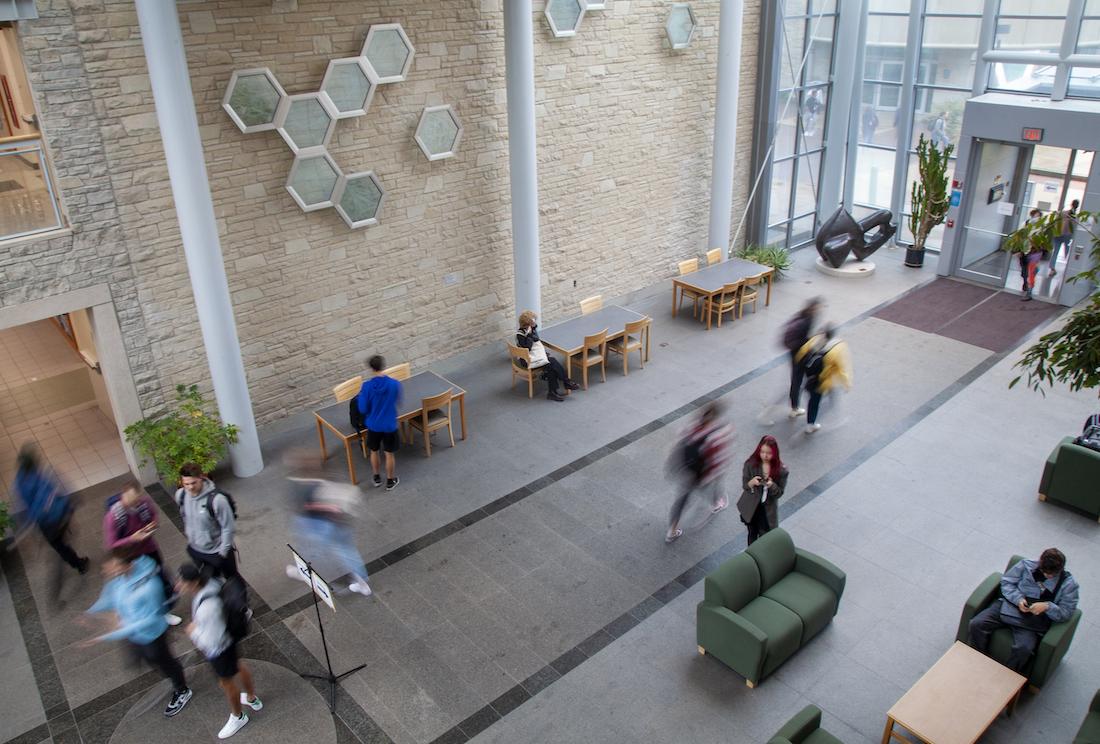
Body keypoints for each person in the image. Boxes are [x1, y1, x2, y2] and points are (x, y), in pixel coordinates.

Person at [82, 549, 192, 717]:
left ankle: (182, 690)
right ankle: (173, 671)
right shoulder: (119, 579)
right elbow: (110, 597)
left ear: (128, 565)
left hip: (153, 635)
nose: (108, 572)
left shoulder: (149, 586)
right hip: (135, 634)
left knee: (163, 661)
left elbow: (149, 619)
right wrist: (90, 612)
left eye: (112, 567)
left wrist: (108, 635)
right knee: (150, 661)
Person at [176, 563, 262, 739]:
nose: (178, 585)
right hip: (229, 639)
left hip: (219, 649)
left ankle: (238, 716)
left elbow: (210, 640)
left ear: (192, 583)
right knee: (238, 665)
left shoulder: (206, 608)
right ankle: (252, 698)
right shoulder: (212, 583)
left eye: (181, 582)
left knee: (227, 683)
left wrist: (194, 632)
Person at [967, 548, 1079, 673]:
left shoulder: (1069, 585)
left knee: (1024, 649)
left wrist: (1048, 606)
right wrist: (1018, 599)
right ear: (1040, 563)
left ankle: (1007, 676)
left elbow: (1067, 612)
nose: (1047, 576)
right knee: (976, 624)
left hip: (1032, 623)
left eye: (1052, 574)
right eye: (1044, 572)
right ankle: (976, 660)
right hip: (1009, 606)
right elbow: (1007, 582)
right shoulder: (1026, 565)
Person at [285, 454, 373, 597]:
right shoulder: (326, 479)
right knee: (346, 550)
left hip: (319, 523)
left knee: (312, 548)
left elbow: (309, 506)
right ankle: (362, 581)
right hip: (339, 522)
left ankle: (302, 571)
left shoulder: (308, 485)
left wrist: (327, 508)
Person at [104, 480, 179, 623]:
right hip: (131, 558)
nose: (134, 505)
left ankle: (163, 612)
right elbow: (111, 544)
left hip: (149, 548)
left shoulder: (144, 503)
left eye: (136, 501)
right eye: (130, 501)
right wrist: (132, 538)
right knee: (141, 584)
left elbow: (154, 515)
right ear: (123, 496)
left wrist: (153, 524)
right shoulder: (113, 517)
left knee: (158, 578)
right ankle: (147, 613)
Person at [12, 444, 89, 575]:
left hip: (43, 522)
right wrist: (71, 502)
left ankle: (76, 562)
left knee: (58, 545)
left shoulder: (19, 481)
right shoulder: (39, 475)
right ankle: (70, 540)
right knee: (62, 533)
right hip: (58, 514)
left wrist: (25, 524)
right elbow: (54, 492)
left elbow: (22, 505)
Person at [666, 402, 732, 543]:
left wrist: (675, 465)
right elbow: (717, 459)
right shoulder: (716, 434)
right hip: (702, 473)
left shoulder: (693, 425)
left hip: (688, 469)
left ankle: (672, 530)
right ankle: (716, 503)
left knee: (682, 499)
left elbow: (679, 442)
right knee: (715, 484)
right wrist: (718, 471)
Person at [176, 463, 238, 579]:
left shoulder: (217, 500)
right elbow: (185, 517)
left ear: (201, 478)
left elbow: (228, 527)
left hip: (217, 551)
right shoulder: (181, 495)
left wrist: (223, 552)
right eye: (186, 484)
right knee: (209, 581)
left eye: (193, 483)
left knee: (232, 580)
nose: (190, 487)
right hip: (196, 549)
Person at [357, 354, 404, 490]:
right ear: (383, 365)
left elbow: (363, 408)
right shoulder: (395, 384)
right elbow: (398, 401)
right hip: (389, 425)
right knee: (389, 454)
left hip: (374, 425)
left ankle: (377, 478)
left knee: (374, 451)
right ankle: (390, 481)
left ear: (371, 368)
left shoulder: (366, 387)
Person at [796, 324, 852, 434]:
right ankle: (811, 423)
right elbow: (841, 368)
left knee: (813, 400)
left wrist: (799, 367)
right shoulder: (837, 348)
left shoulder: (814, 340)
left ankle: (811, 421)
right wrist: (847, 383)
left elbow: (802, 353)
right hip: (824, 381)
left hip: (810, 377)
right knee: (820, 399)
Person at [516, 310, 580, 402]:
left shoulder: (531, 329)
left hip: (535, 356)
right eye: (533, 321)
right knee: (552, 362)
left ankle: (553, 392)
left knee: (551, 368)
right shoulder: (520, 335)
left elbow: (536, 339)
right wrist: (529, 335)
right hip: (527, 360)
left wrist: (532, 330)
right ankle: (566, 382)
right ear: (527, 324)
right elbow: (528, 348)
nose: (535, 323)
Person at [736, 435, 789, 545]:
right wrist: (751, 482)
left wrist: (772, 485)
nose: (765, 455)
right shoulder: (751, 464)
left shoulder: (781, 471)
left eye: (769, 453)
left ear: (774, 453)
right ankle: (752, 554)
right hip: (752, 506)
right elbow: (745, 486)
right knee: (752, 532)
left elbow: (779, 493)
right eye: (762, 452)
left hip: (767, 509)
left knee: (764, 535)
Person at [783, 298, 821, 420]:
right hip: (799, 354)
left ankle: (795, 405)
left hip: (795, 353)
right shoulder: (808, 320)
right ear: (813, 308)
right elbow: (803, 339)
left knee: (797, 379)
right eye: (818, 307)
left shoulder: (802, 315)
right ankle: (796, 407)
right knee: (798, 380)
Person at [1020, 208, 1045, 302]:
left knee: (1031, 272)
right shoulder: (1026, 224)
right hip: (1025, 251)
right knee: (1024, 271)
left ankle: (1029, 292)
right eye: (1035, 215)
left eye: (1038, 216)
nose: (1036, 217)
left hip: (1035, 252)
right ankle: (1026, 283)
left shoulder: (1042, 227)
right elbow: (1020, 236)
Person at [1049, 199, 1078, 276]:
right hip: (1067, 236)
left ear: (1071, 204)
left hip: (1059, 234)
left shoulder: (1064, 213)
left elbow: (1056, 222)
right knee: (1067, 252)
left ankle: (1052, 269)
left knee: (1056, 252)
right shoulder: (1076, 216)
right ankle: (1066, 269)